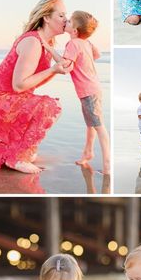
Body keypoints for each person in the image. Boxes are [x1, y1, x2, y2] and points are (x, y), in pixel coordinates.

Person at [0, 0, 72, 174]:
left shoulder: (47, 43)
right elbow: (19, 85)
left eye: (66, 15)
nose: (66, 19)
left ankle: (17, 150)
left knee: (35, 103)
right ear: (46, 18)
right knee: (52, 106)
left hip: (10, 98)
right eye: (61, 15)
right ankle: (18, 158)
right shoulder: (32, 42)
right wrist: (53, 70)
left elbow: (37, 79)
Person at [43, 11, 110, 174]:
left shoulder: (73, 44)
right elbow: (98, 55)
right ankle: (88, 152)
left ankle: (108, 164)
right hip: (93, 89)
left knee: (99, 126)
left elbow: (65, 64)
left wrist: (49, 48)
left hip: (88, 91)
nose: (66, 21)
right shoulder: (85, 42)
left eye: (70, 21)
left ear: (74, 31)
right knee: (90, 124)